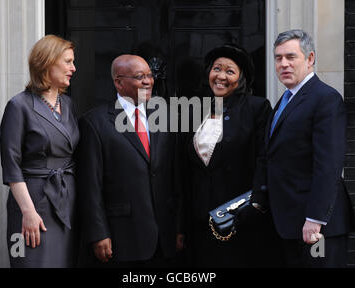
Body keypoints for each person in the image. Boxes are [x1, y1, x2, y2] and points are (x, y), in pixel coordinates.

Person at [77, 54, 182, 267]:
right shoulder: (95, 123)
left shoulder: (167, 116)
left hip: (165, 237)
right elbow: (91, 186)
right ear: (119, 82)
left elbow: (177, 177)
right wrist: (98, 233)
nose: (148, 81)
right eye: (139, 76)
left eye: (150, 76)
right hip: (122, 238)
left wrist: (180, 226)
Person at [183, 44, 283, 267]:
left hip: (239, 218)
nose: (221, 76)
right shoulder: (194, 109)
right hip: (199, 219)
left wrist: (256, 204)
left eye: (230, 71)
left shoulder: (257, 108)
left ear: (241, 78)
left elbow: (264, 158)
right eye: (217, 68)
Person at [262, 29, 354, 267]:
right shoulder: (284, 101)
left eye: (291, 57)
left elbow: (329, 165)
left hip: (318, 227)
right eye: (278, 58)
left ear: (310, 58)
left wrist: (314, 219)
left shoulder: (325, 98)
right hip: (289, 224)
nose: (283, 64)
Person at [0, 35, 79, 267]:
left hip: (67, 199)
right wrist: (28, 212)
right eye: (67, 61)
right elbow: (11, 165)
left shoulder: (69, 104)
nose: (73, 68)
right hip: (34, 201)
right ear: (46, 62)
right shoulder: (19, 106)